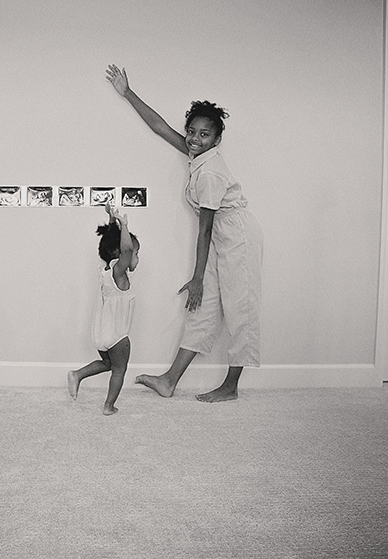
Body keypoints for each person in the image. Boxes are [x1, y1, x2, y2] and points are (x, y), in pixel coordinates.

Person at [106, 64, 263, 403]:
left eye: (204, 134)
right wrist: (127, 92)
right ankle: (169, 381)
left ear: (216, 140)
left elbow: (205, 228)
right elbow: (161, 127)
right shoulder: (198, 157)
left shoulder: (210, 173)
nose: (194, 138)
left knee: (239, 308)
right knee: (202, 307)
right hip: (220, 235)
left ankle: (231, 387)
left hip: (237, 236)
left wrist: (196, 276)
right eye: (192, 131)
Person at [67, 202, 140, 415]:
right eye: (136, 254)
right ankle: (109, 406)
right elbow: (124, 248)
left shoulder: (106, 270)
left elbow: (112, 243)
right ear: (123, 256)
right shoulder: (120, 274)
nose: (136, 258)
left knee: (107, 363)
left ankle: (78, 374)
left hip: (99, 333)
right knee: (119, 370)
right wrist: (124, 225)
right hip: (117, 336)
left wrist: (112, 222)